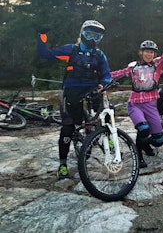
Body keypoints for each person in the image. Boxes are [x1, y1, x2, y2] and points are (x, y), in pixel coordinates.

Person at [37, 20, 112, 179]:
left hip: (93, 90)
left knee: (107, 113)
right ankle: (63, 165)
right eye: (89, 35)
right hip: (72, 92)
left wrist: (101, 87)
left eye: (97, 37)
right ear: (82, 34)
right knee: (67, 128)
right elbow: (45, 54)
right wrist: (42, 35)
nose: (92, 39)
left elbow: (106, 76)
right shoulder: (71, 50)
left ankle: (110, 139)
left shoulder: (99, 55)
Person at [111, 33, 163, 168]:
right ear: (140, 52)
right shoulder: (133, 68)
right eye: (146, 52)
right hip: (135, 105)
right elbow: (118, 74)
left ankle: (144, 145)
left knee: (158, 140)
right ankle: (138, 156)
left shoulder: (157, 66)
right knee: (143, 129)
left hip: (150, 105)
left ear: (154, 54)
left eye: (151, 52)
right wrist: (101, 77)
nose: (149, 55)